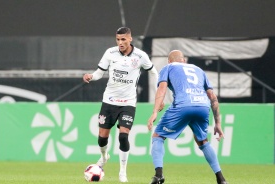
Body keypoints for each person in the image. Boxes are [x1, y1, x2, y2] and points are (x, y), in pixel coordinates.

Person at [83, 27, 158, 182]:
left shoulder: (140, 56)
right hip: (109, 101)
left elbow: (153, 71)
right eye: (118, 39)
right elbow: (99, 72)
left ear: (130, 39)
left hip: (128, 103)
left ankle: (122, 172)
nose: (120, 42)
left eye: (123, 39)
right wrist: (91, 76)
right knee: (102, 138)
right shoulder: (110, 53)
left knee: (123, 137)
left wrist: (159, 91)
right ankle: (104, 157)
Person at [147, 50, 228, 184]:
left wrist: (155, 111)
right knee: (203, 141)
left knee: (158, 136)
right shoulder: (198, 70)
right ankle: (221, 179)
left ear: (169, 61)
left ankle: (159, 175)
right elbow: (213, 97)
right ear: (184, 60)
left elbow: (162, 89)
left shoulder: (168, 67)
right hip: (202, 106)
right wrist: (218, 123)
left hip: (183, 105)